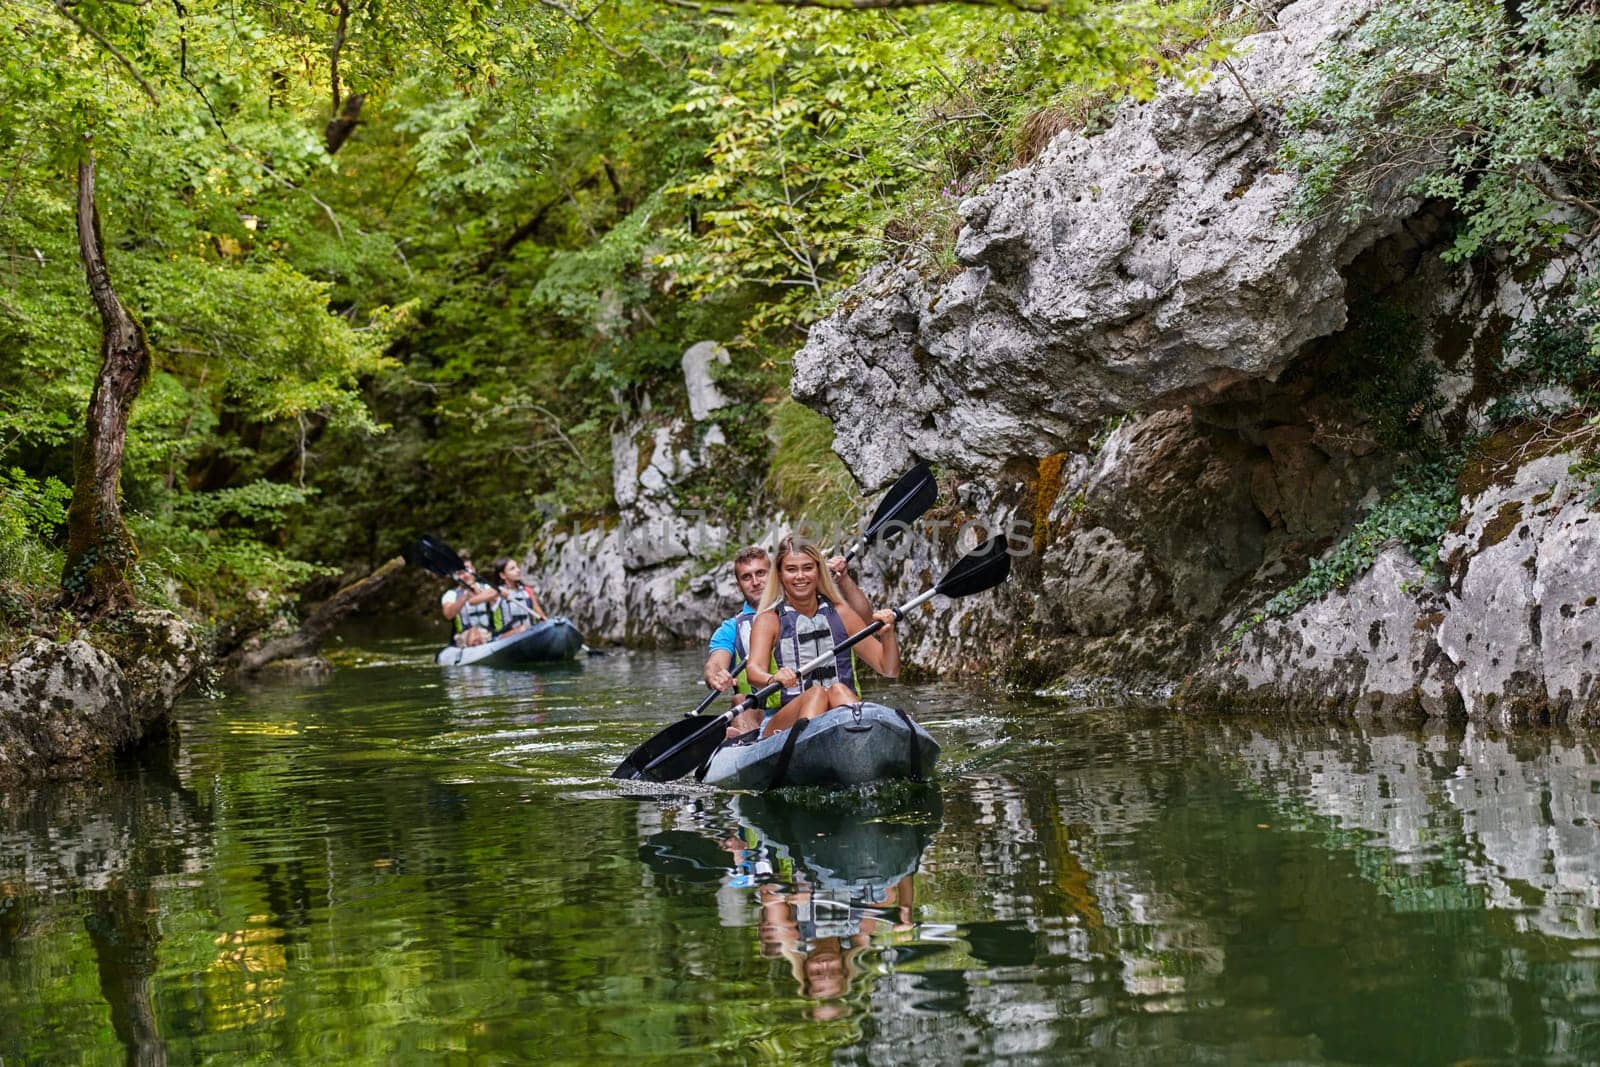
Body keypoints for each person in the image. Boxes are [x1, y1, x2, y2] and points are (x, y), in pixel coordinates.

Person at [710, 545, 879, 738]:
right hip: (769, 711)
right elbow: (716, 662)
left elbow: (866, 623)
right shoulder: (732, 628)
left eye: (761, 573)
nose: (755, 582)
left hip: (825, 699)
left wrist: (844, 579)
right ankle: (743, 740)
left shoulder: (819, 612)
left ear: (775, 574)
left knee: (826, 693)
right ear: (738, 584)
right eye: (747, 577)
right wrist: (717, 674)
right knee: (741, 700)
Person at [745, 535, 899, 740]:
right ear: (780, 575)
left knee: (838, 690)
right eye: (791, 569)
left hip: (840, 710)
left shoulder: (842, 614)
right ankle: (807, 750)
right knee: (816, 694)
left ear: (818, 571)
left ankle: (859, 745)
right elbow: (753, 671)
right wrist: (773, 678)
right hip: (787, 719)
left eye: (807, 568)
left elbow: (889, 670)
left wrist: (888, 635)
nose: (800, 576)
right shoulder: (769, 619)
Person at [440, 556, 497, 647]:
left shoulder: (487, 588)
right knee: (473, 632)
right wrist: (464, 597)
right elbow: (448, 615)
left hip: (488, 632)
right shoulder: (451, 594)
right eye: (461, 573)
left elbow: (497, 597)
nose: (466, 575)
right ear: (456, 576)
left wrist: (479, 594)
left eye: (467, 570)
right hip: (464, 636)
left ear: (473, 570)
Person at [491, 557, 549, 635]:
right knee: (521, 629)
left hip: (530, 632)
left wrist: (549, 624)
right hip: (505, 637)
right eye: (512, 569)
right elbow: (473, 601)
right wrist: (498, 592)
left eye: (517, 567)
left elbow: (540, 613)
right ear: (503, 575)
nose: (518, 570)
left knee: (524, 629)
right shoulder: (496, 593)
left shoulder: (527, 590)